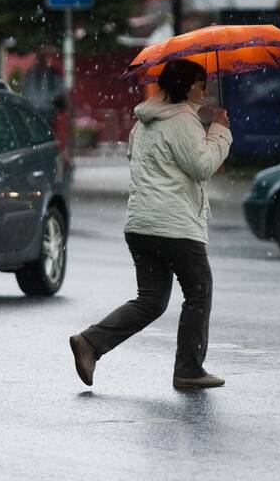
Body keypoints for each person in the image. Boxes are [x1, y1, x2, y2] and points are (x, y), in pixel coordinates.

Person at [69, 59, 232, 390]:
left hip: (140, 224)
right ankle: (188, 369)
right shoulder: (184, 118)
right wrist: (219, 131)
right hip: (174, 226)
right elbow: (202, 166)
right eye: (201, 83)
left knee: (151, 300)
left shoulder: (143, 121)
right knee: (199, 292)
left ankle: (91, 342)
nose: (204, 89)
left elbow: (144, 162)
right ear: (187, 86)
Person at [21, 47, 66, 126]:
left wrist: (50, 98)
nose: (40, 61)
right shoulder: (31, 73)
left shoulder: (52, 74)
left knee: (48, 129)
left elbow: (60, 88)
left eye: (42, 58)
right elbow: (26, 90)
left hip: (48, 109)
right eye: (39, 58)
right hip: (34, 109)